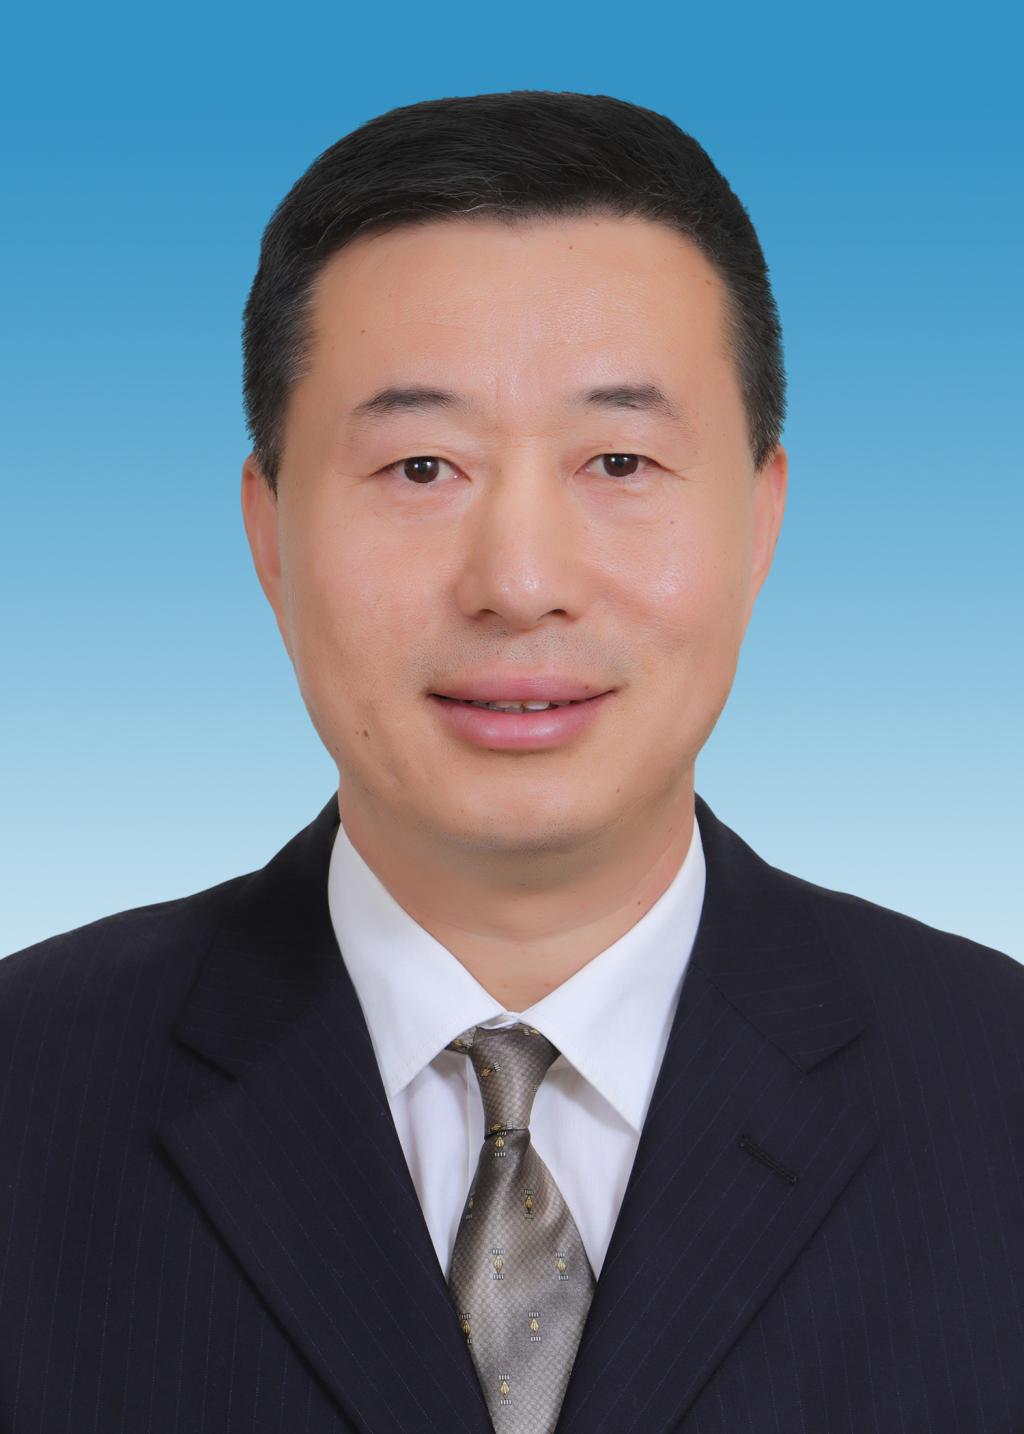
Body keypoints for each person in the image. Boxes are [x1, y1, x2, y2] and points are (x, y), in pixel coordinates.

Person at [1, 89, 1021, 1434]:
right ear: (268, 532)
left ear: (762, 520)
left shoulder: (994, 1087)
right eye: (423, 467)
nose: (521, 581)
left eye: (620, 459)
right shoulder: (26, 1088)